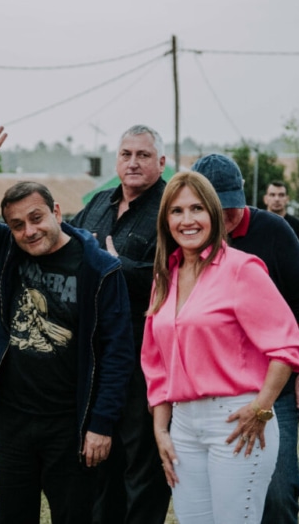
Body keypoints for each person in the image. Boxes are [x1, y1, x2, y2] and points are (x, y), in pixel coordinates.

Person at [0, 125, 134, 524]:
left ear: (55, 212)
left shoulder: (99, 268)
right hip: (14, 420)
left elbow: (118, 353)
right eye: (17, 225)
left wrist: (100, 425)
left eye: (35, 218)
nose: (28, 231)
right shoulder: (8, 251)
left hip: (70, 423)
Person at [141, 171, 299, 523]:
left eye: (197, 208)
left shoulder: (241, 269)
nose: (187, 220)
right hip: (183, 426)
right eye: (176, 211)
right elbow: (155, 363)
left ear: (214, 215)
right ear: (165, 220)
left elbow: (287, 345)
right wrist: (160, 430)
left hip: (235, 421)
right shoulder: (164, 277)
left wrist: (262, 407)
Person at [192, 154, 299, 524]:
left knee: (279, 491)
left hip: (274, 386)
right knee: (222, 494)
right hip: (214, 391)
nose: (227, 218)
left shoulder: (274, 230)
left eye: (232, 206)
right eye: (217, 208)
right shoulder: (188, 236)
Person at [70, 124, 170, 524]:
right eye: (126, 154)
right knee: (97, 462)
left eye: (143, 155)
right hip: (95, 356)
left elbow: (179, 278)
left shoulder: (172, 207)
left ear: (161, 162)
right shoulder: (97, 204)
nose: (133, 162)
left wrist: (120, 268)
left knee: (141, 466)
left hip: (146, 359)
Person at [263, 180, 299, 260]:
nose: (277, 199)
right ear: (265, 199)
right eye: (272, 195)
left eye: (281, 195)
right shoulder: (256, 224)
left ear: (287, 199)